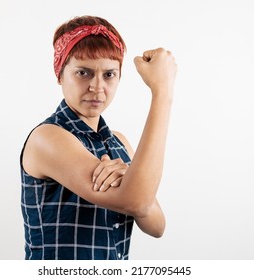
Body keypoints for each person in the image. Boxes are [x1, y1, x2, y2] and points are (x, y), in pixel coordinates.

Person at [20, 15, 177, 260]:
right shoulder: (47, 138)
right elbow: (137, 201)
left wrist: (131, 181)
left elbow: (157, 226)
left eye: (109, 74)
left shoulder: (119, 142)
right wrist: (163, 91)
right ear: (60, 74)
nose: (97, 87)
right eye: (83, 72)